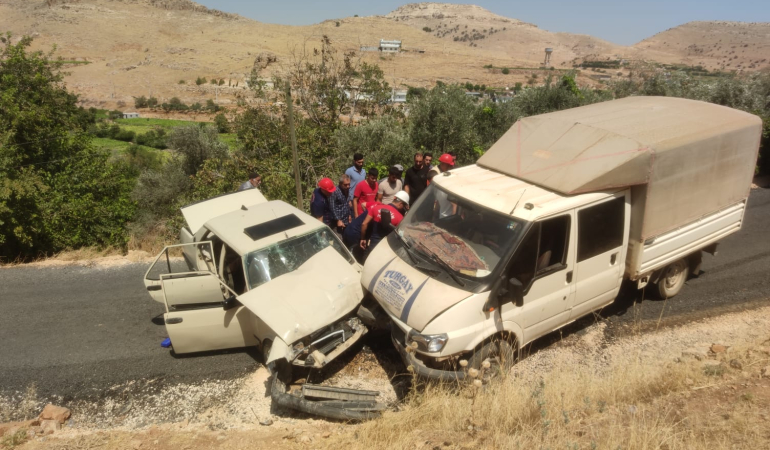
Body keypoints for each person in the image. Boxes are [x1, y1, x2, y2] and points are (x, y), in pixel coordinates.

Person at [360, 191, 409, 260]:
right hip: (384, 250)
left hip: (371, 245)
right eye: (403, 206)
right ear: (400, 204)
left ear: (394, 198)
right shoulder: (400, 218)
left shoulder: (376, 208)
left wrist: (362, 238)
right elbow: (400, 236)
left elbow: (364, 224)